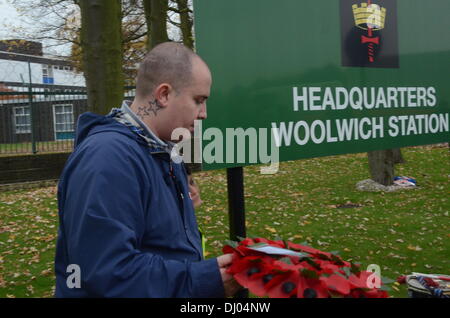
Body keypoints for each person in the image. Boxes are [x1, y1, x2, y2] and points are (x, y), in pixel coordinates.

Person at [54, 42, 241, 297]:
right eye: (198, 100)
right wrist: (202, 280)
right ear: (163, 94)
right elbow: (105, 274)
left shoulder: (163, 149)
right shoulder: (107, 159)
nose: (204, 114)